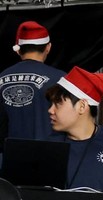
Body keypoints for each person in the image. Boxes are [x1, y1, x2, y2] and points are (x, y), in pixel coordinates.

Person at [0, 21, 65, 151]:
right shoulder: (61, 79)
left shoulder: (1, 77)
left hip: (11, 157)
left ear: (18, 50)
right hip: (52, 155)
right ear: (48, 47)